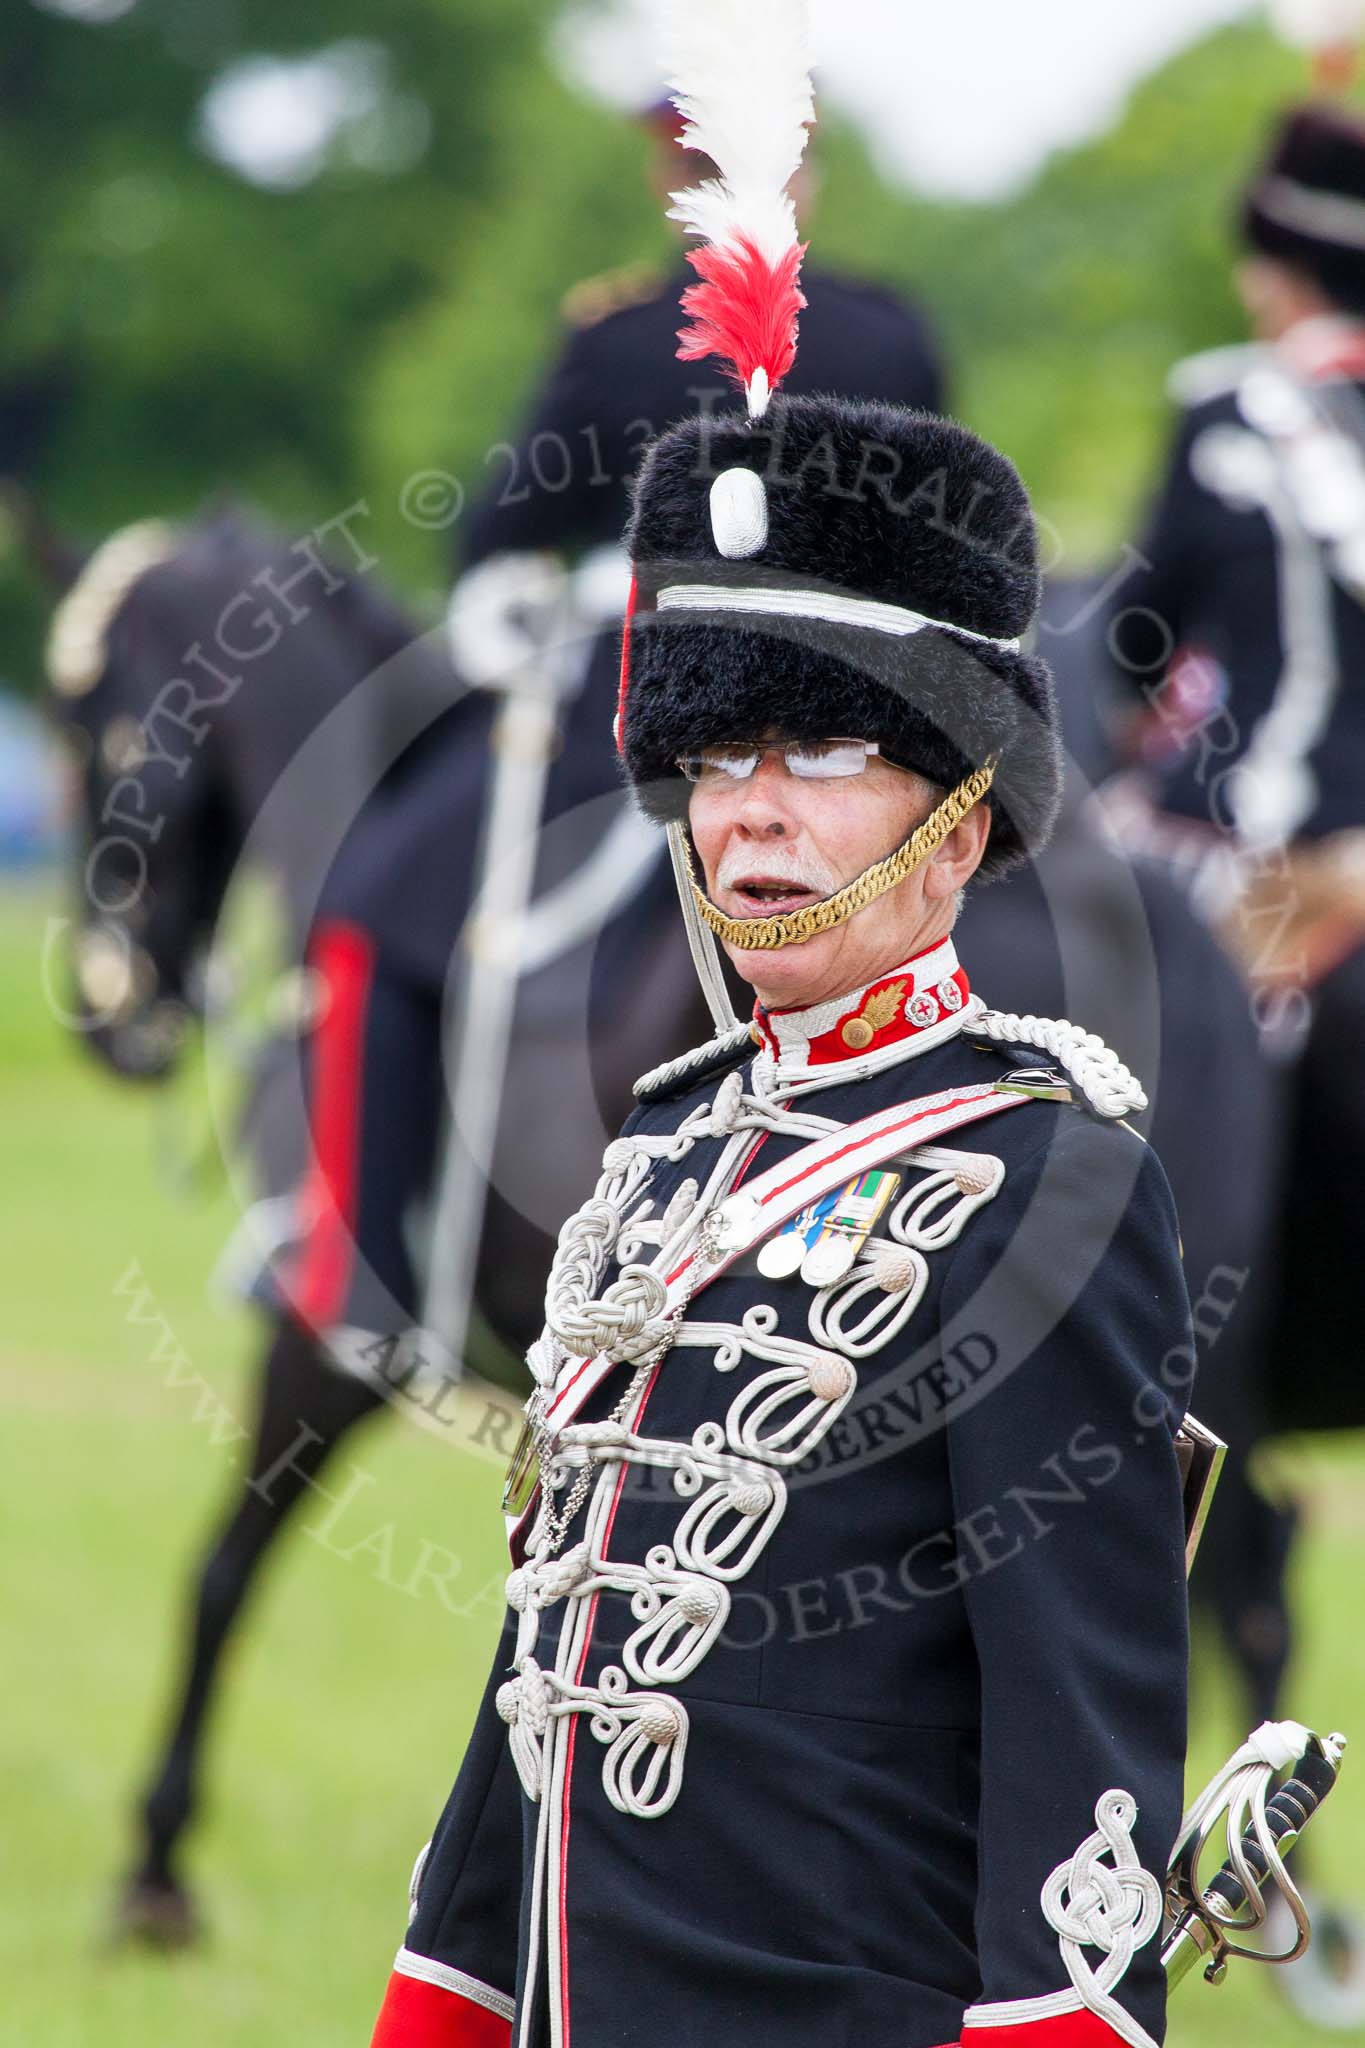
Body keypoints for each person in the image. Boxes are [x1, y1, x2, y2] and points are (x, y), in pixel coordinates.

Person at [368, 37, 1192, 2048]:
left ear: (959, 817)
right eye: (717, 753)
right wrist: (443, 2006)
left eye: (821, 751)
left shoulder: (1043, 1176)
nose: (749, 812)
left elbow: (1079, 1748)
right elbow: (547, 1677)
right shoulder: (656, 1151)